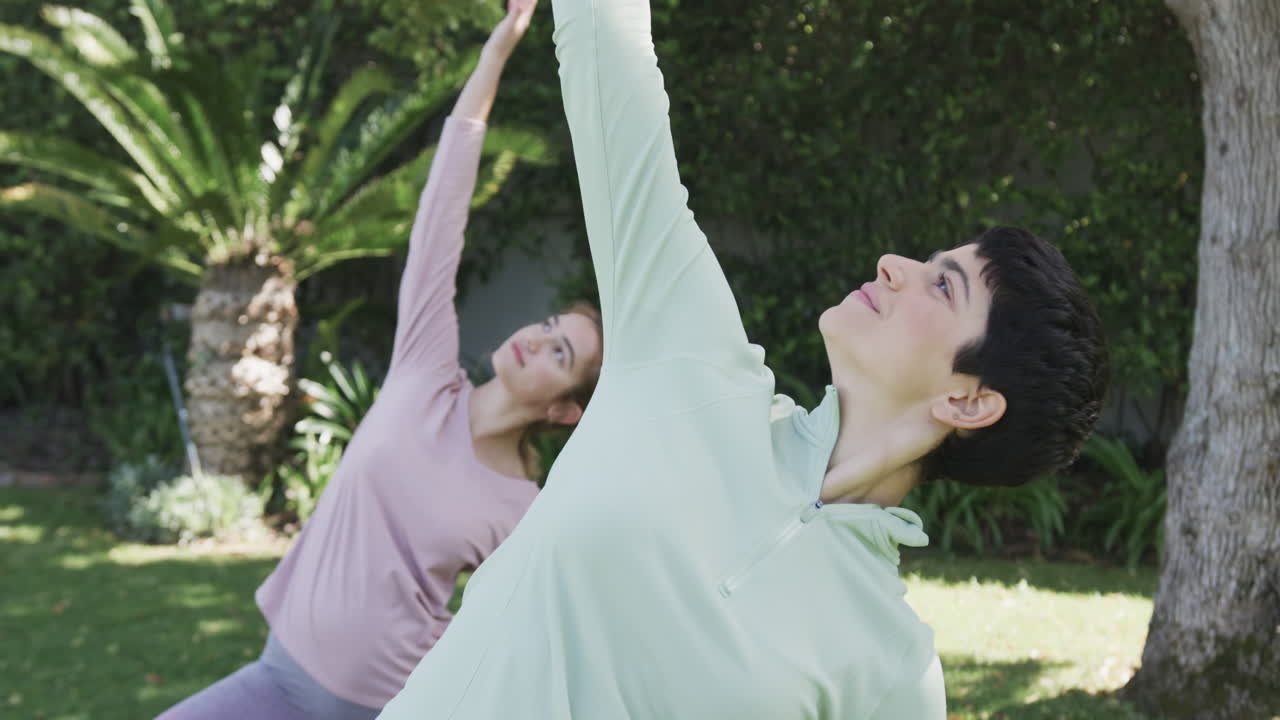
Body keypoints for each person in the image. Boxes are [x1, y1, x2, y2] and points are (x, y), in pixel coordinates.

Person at [379, 0, 1108, 716]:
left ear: (969, 401)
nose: (894, 264)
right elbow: (605, 46)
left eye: (942, 284)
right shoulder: (688, 354)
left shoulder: (890, 669)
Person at [156, 2, 602, 718]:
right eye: (549, 323)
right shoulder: (425, 372)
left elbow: (530, 634)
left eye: (561, 351)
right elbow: (441, 212)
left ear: (564, 408)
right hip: (275, 677)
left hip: (387, 708)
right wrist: (495, 56)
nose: (537, 335)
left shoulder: (521, 509)